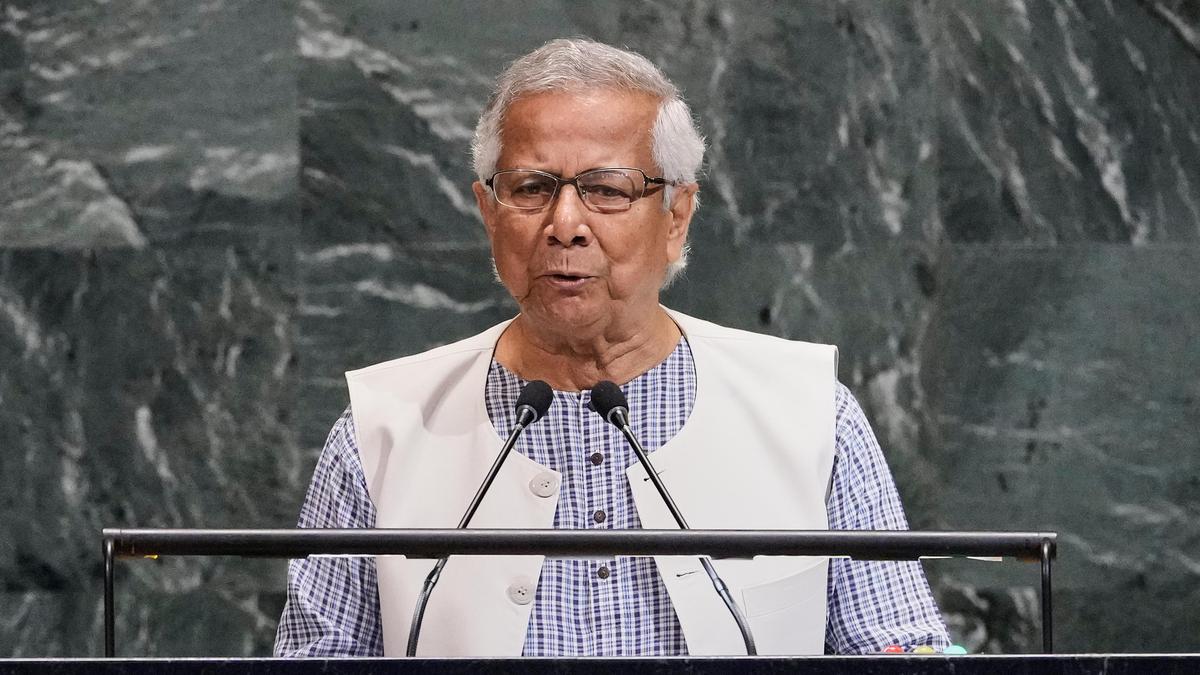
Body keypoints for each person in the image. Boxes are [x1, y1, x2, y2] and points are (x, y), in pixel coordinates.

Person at [275, 38, 950, 657]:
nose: (565, 224)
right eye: (532, 188)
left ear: (676, 217)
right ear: (489, 213)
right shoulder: (381, 431)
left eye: (605, 189)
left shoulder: (810, 417)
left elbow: (901, 651)